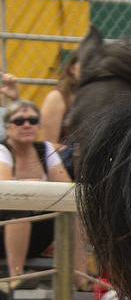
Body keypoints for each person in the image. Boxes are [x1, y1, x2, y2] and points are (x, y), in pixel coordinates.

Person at [0, 100, 72, 284]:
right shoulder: (2, 150)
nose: (26, 125)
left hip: (39, 232)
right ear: (8, 127)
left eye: (32, 120)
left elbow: (67, 188)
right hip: (4, 230)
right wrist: (35, 185)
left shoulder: (46, 149)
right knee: (19, 206)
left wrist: (34, 186)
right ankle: (16, 277)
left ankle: (81, 278)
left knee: (73, 208)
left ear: (38, 126)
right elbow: (7, 190)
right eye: (19, 121)